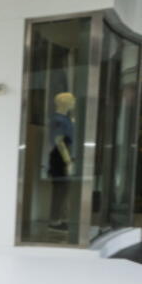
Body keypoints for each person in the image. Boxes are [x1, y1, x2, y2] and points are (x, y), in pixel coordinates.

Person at [47, 91, 77, 231]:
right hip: (60, 156)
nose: (74, 103)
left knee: (64, 189)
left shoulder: (65, 119)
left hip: (63, 155)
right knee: (59, 189)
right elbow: (59, 141)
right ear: (65, 102)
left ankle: (60, 218)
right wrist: (68, 160)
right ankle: (55, 220)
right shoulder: (58, 120)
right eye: (72, 100)